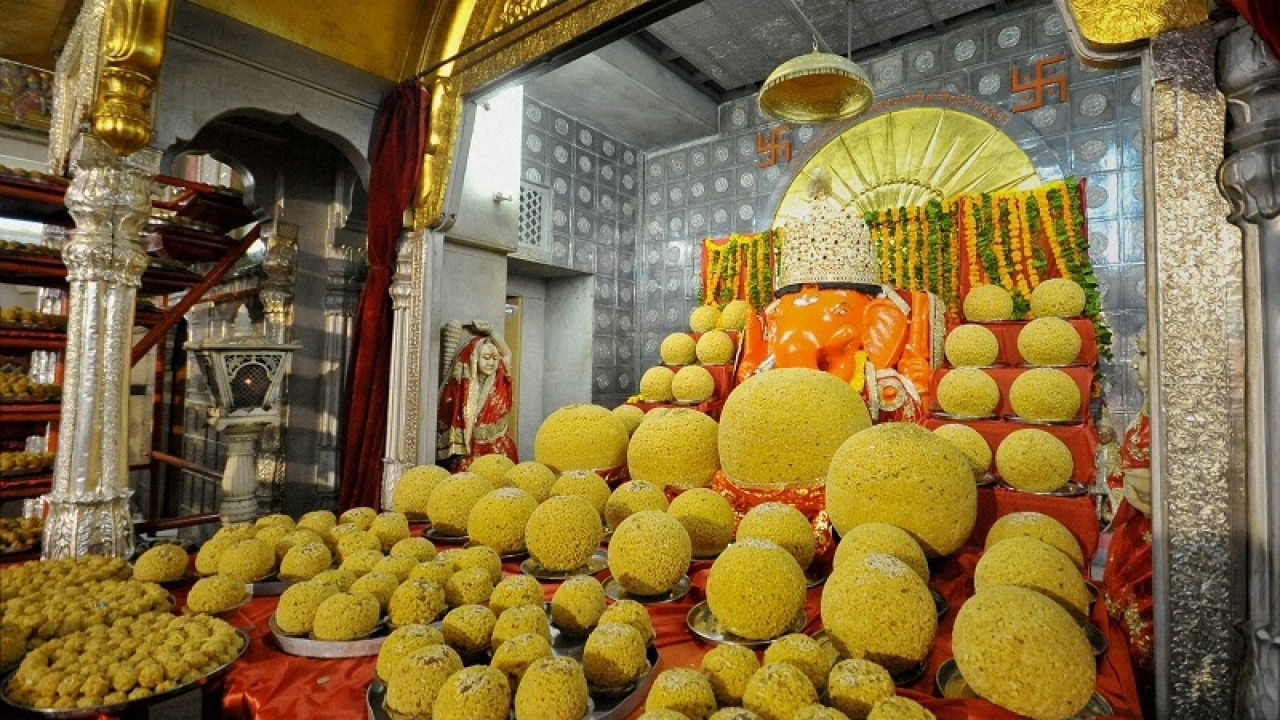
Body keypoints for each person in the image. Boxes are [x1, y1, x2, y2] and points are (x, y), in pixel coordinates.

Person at [1102, 335, 1153, 717]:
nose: (1134, 364)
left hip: (1151, 542)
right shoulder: (1152, 409)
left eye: (1144, 355)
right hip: (1133, 534)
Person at [436, 328, 518, 472]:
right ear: (474, 358)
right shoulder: (463, 389)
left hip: (499, 449)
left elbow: (507, 353)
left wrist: (492, 331)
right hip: (472, 450)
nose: (491, 363)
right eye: (486, 358)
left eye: (494, 358)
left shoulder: (501, 377)